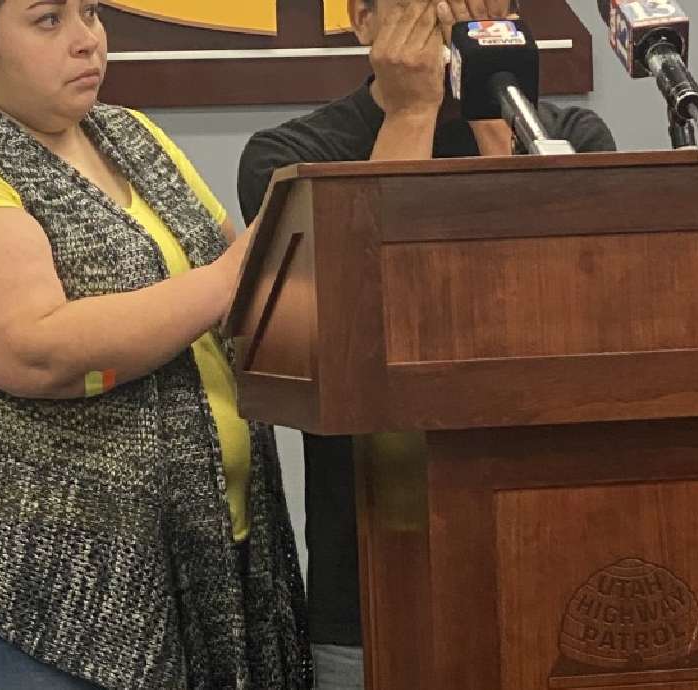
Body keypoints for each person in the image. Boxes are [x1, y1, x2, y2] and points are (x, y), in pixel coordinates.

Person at [0, 1, 311, 688]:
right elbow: (39, 351)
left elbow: (246, 294)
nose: (87, 41)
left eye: (90, 12)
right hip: (15, 588)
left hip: (193, 561)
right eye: (49, 20)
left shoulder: (132, 137)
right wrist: (229, 280)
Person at [236, 1, 617, 687]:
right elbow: (364, 314)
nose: (451, 10)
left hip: (547, 561)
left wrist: (492, 104)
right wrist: (412, 114)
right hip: (373, 578)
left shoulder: (571, 137)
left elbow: (554, 299)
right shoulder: (292, 158)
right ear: (363, 19)